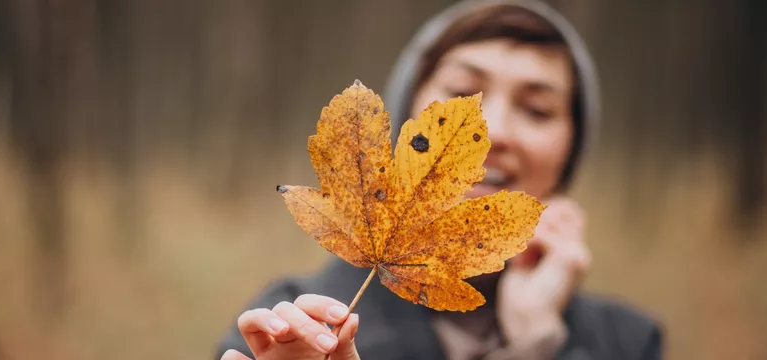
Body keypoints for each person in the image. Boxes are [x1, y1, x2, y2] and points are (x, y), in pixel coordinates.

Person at [216, 0, 663, 359]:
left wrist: (539, 344)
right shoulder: (291, 327)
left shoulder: (627, 343)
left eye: (537, 110)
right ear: (410, 107)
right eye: (462, 90)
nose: (493, 130)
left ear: (570, 152)